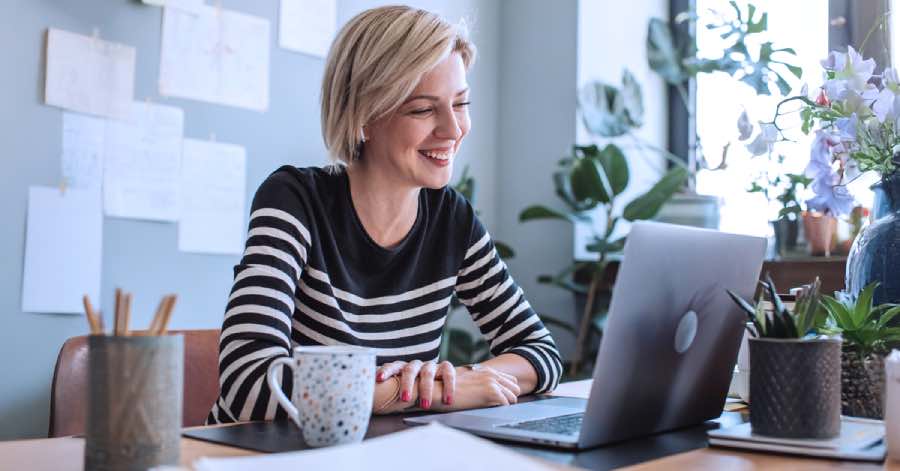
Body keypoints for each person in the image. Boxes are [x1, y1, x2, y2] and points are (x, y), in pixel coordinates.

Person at [208, 5, 562, 424]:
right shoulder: (294, 199)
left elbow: (541, 355)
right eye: (423, 110)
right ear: (364, 117)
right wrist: (413, 393)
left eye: (461, 103)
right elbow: (248, 385)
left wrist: (464, 378)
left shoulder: (452, 219)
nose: (453, 129)